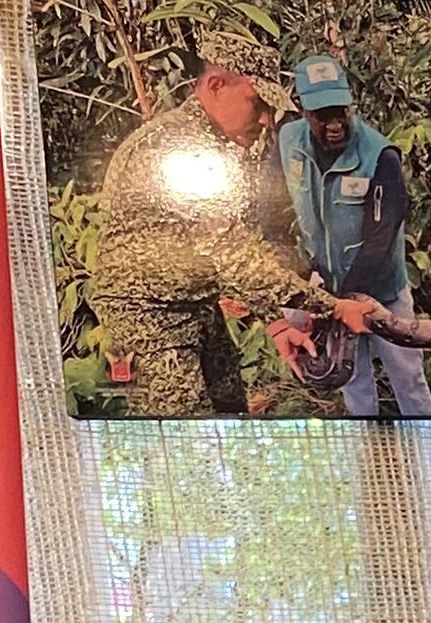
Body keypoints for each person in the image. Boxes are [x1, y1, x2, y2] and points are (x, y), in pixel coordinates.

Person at [87, 28, 342, 418]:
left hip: (195, 307)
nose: (266, 120)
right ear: (216, 85)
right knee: (184, 434)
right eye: (257, 103)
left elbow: (221, 253)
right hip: (148, 319)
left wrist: (276, 324)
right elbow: (232, 256)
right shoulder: (175, 145)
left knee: (230, 412)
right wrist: (332, 307)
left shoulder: (210, 145)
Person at [274, 45, 427, 421]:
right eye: (322, 115)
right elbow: (272, 211)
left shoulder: (380, 156)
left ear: (350, 104)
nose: (335, 124)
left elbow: (381, 239)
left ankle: (429, 444)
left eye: (340, 111)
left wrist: (345, 304)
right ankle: (366, 442)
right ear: (302, 109)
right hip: (327, 288)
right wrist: (302, 282)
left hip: (383, 292)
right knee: (352, 377)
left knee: (408, 376)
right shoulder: (288, 142)